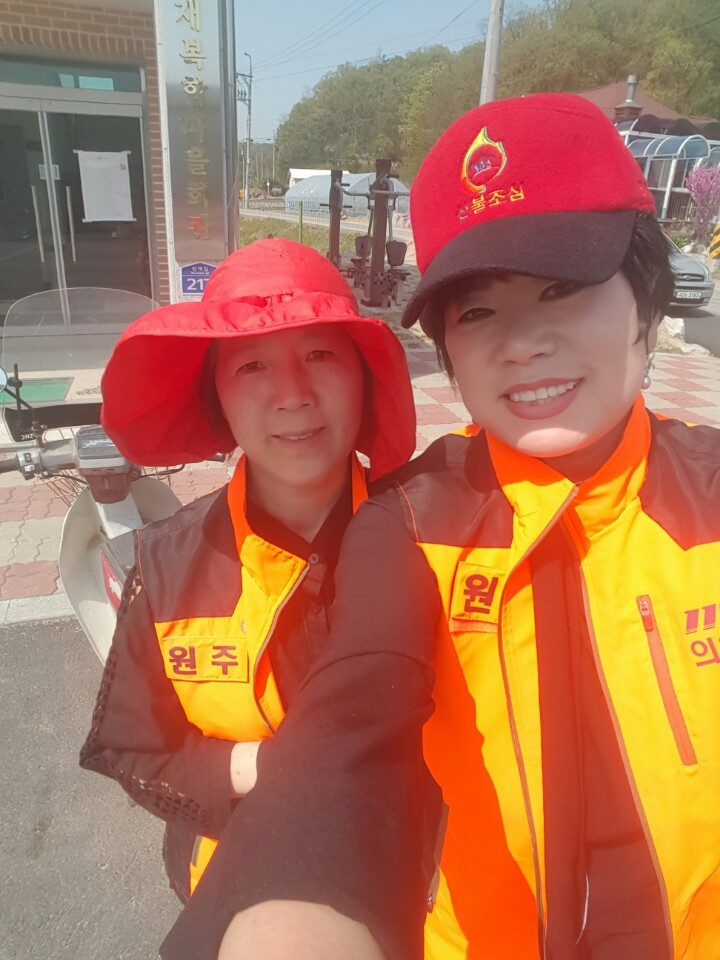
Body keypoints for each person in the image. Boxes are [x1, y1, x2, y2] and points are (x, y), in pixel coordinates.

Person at [159, 94, 720, 960]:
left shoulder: (709, 492)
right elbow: (346, 734)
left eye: (563, 288)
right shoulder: (413, 521)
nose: (521, 344)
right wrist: (283, 921)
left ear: (647, 303)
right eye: (477, 311)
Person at [79, 238, 440, 954]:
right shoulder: (168, 563)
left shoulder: (439, 537)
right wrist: (258, 768)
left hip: (431, 891)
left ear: (365, 377)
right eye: (251, 365)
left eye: (321, 354)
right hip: (233, 893)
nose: (293, 394)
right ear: (215, 395)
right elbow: (132, 749)